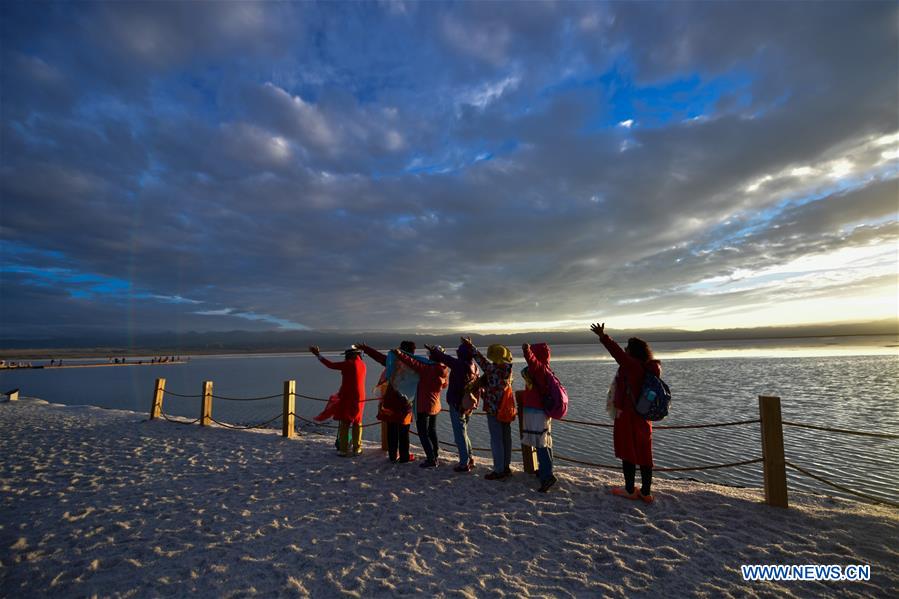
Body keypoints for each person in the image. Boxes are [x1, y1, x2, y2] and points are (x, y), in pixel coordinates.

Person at [590, 322, 661, 504]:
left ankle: (630, 490)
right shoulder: (647, 367)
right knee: (644, 453)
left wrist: (603, 336)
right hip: (643, 416)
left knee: (627, 452)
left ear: (633, 352)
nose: (625, 350)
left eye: (627, 348)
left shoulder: (632, 366)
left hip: (628, 416)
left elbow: (617, 354)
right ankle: (645, 492)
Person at [462, 337, 514, 480]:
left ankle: (499, 470)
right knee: (506, 439)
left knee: (496, 440)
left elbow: (480, 359)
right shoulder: (508, 370)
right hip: (506, 409)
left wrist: (470, 345)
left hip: (493, 409)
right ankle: (506, 467)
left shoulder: (492, 369)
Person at [359, 341, 416, 463]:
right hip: (405, 402)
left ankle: (392, 455)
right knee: (404, 431)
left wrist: (366, 348)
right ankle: (404, 457)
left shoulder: (393, 363)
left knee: (391, 429)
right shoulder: (415, 365)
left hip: (391, 399)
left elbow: (379, 357)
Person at [426, 342, 479, 472]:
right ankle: (470, 457)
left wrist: (434, 350)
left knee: (459, 435)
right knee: (464, 432)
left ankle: (464, 463)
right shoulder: (474, 366)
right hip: (468, 403)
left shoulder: (460, 365)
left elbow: (445, 358)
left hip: (457, 403)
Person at [393, 347, 449, 468]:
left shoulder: (427, 368)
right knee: (432, 431)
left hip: (424, 405)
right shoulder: (444, 369)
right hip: (435, 405)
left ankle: (431, 459)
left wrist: (399, 353)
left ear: (432, 356)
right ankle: (435, 455)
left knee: (423, 433)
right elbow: (444, 385)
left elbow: (412, 362)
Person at [310, 345, 367, 457]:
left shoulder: (348, 364)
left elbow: (330, 365)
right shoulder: (363, 364)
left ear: (349, 355)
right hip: (360, 397)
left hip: (348, 396)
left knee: (345, 422)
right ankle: (357, 448)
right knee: (357, 421)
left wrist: (318, 355)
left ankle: (343, 449)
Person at [520, 343, 556, 492]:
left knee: (540, 444)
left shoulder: (539, 369)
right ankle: (545, 471)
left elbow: (532, 361)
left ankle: (547, 477)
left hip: (536, 411)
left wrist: (527, 351)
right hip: (541, 411)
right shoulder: (545, 369)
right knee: (544, 441)